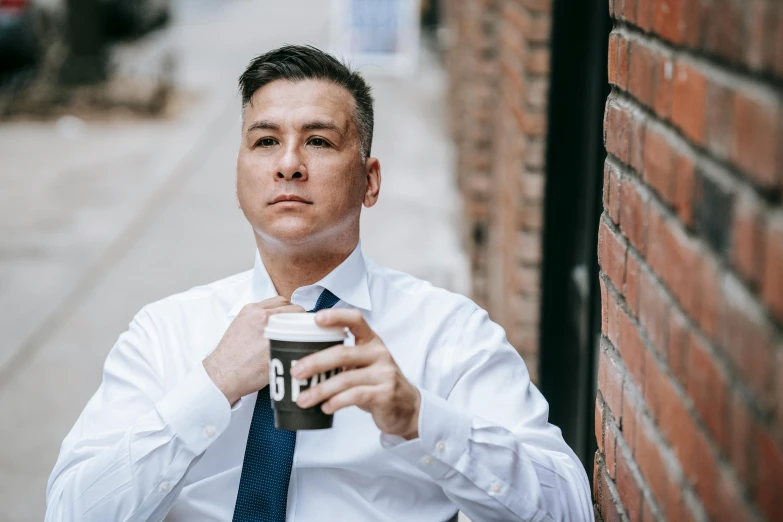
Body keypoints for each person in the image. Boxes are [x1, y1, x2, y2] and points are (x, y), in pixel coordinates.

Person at [45, 45, 593, 522]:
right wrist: (210, 387)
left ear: (370, 181)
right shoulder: (165, 333)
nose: (288, 164)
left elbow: (570, 507)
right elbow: (70, 511)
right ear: (239, 179)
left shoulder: (447, 332)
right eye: (264, 142)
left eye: (319, 142)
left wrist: (421, 418)